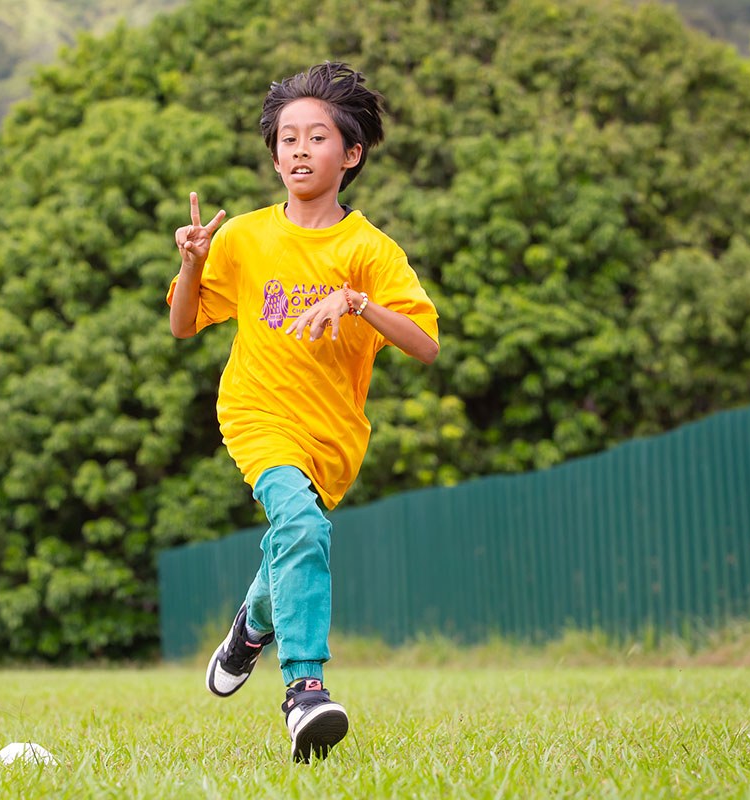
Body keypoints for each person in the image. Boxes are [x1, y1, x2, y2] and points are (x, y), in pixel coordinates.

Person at [166, 62, 439, 762]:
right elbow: (182, 324)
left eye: (317, 137)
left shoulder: (368, 251)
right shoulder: (245, 236)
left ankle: (251, 626)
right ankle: (305, 690)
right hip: (256, 414)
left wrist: (357, 302)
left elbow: (425, 344)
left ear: (351, 154)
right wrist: (193, 263)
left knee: (296, 535)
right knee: (300, 525)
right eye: (287, 138)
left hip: (333, 435)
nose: (298, 150)